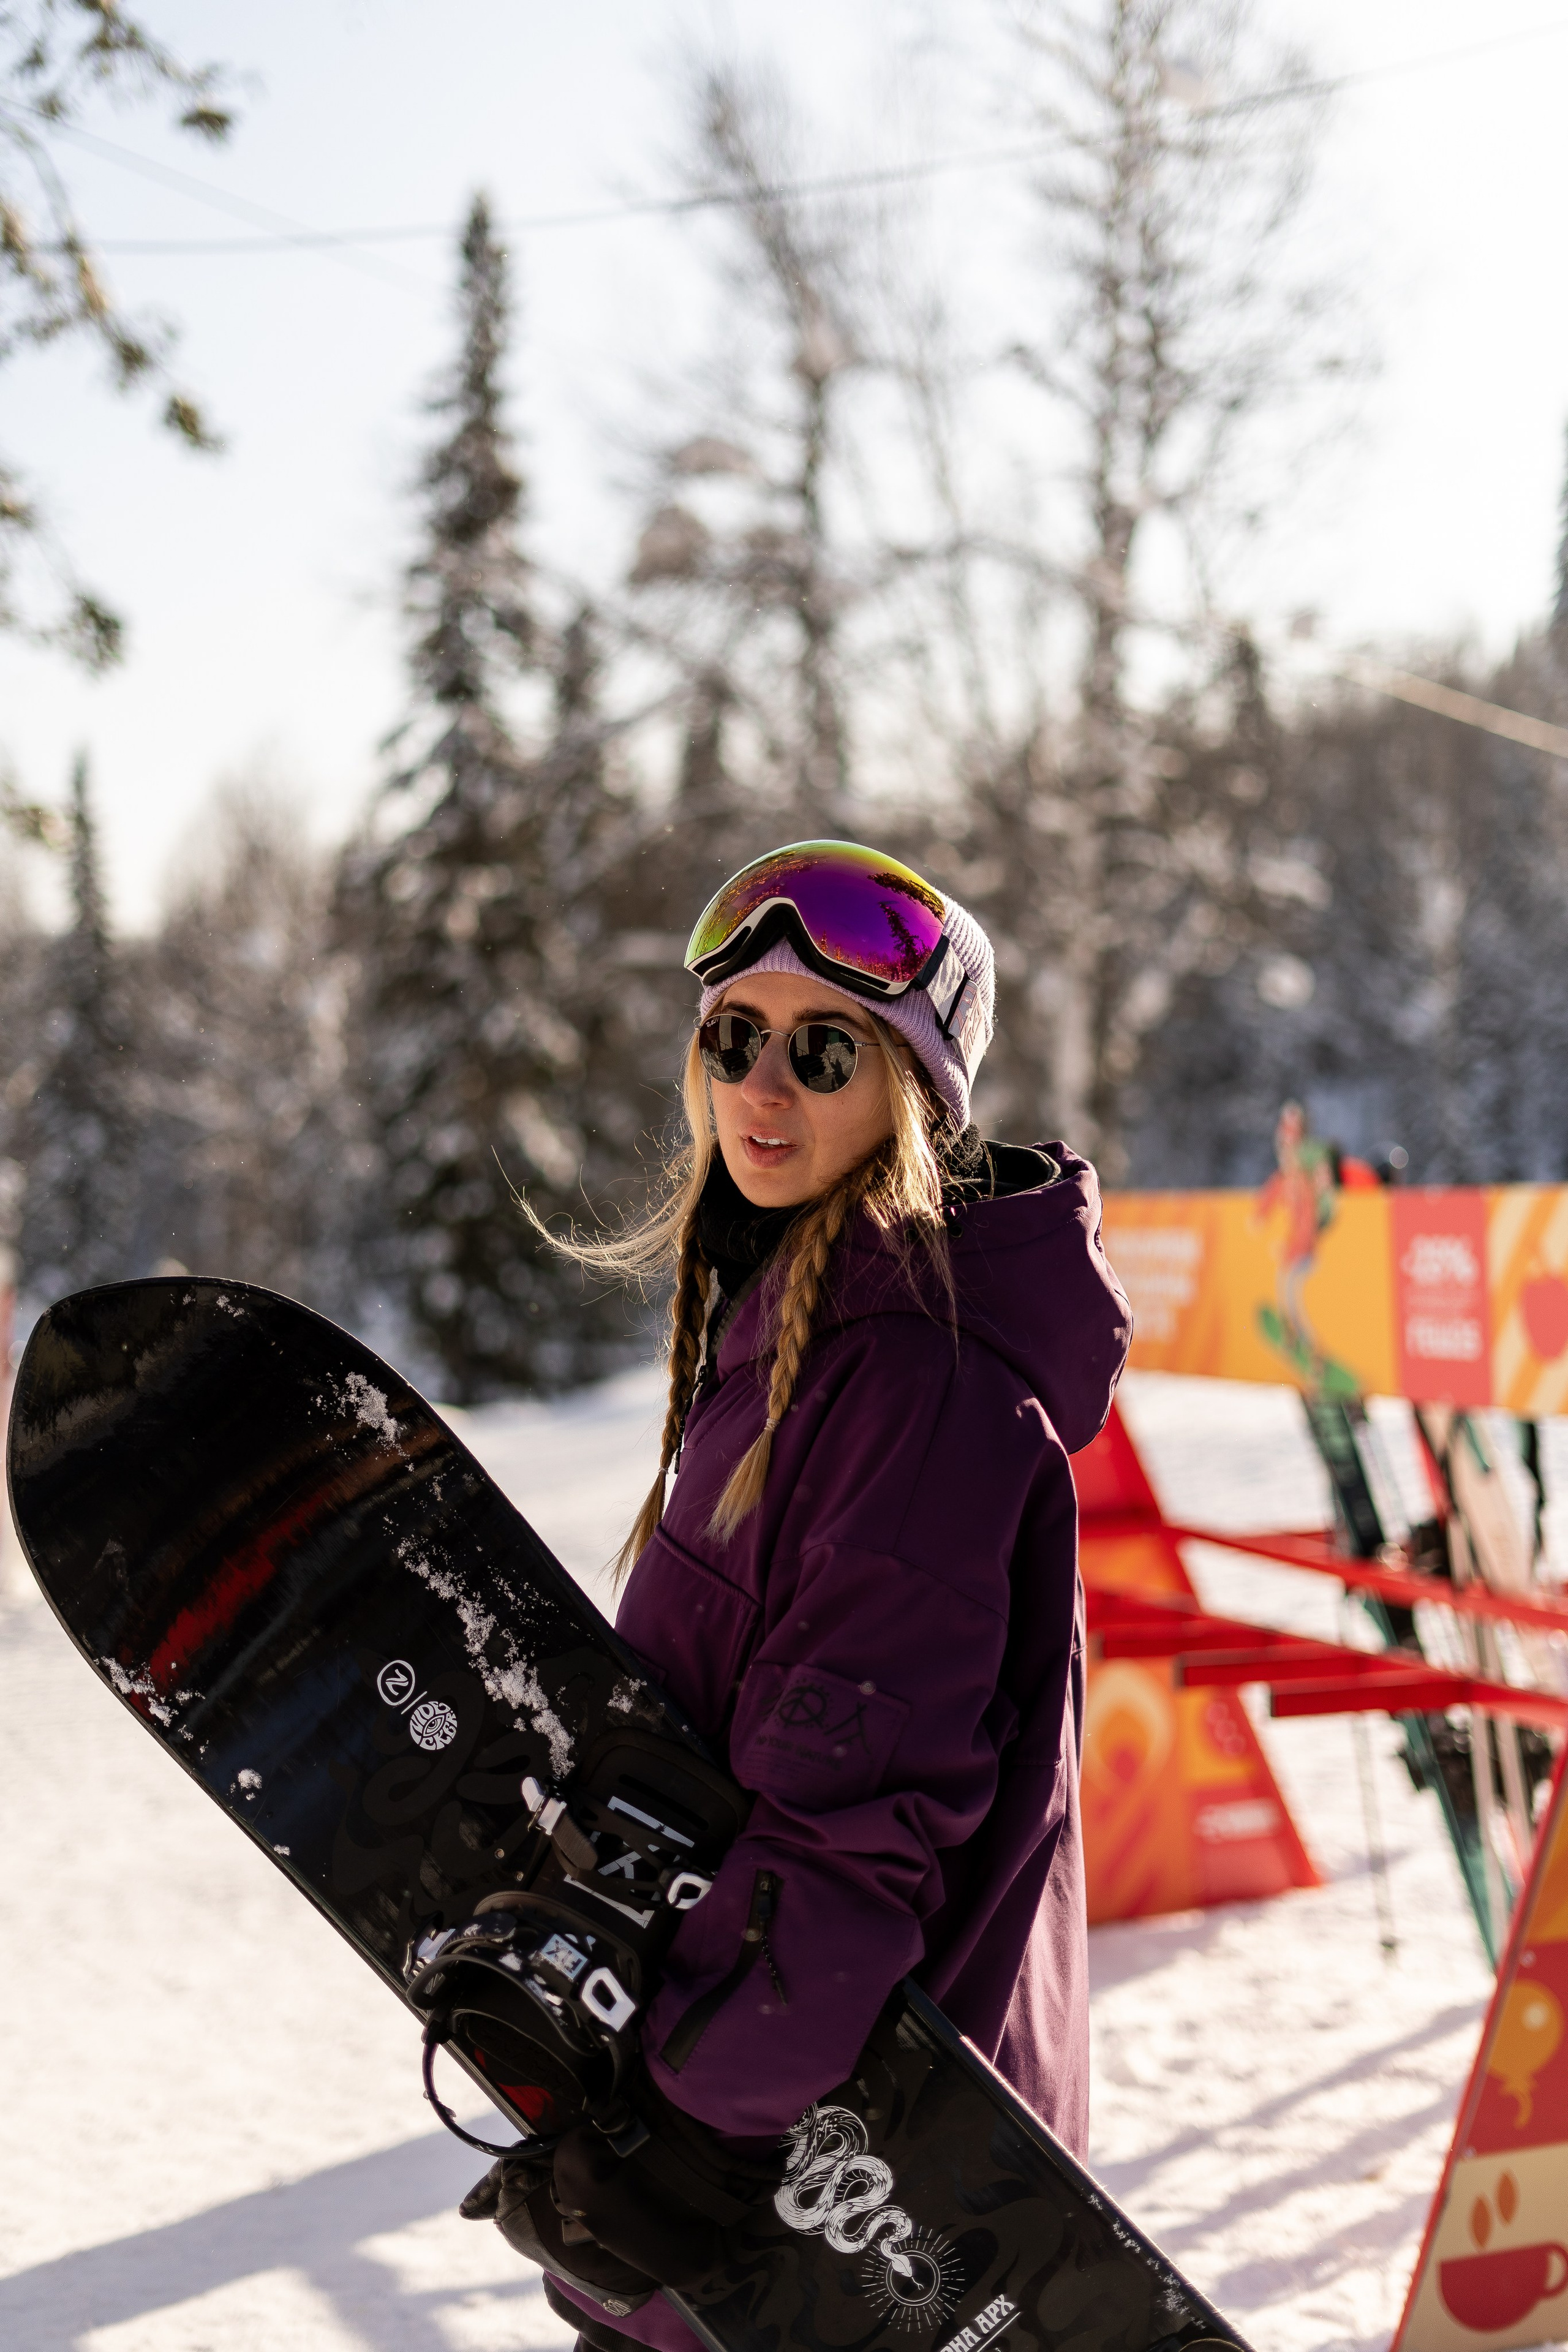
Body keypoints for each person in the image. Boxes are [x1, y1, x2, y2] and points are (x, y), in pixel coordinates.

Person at [496, 840, 1129, 2352]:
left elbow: (853, 1823)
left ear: (907, 1092)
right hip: (762, 2168)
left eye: (824, 1049)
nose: (763, 1088)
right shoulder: (793, 1328)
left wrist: (686, 2136)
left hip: (840, 2209)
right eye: (734, 1039)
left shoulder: (914, 1384)